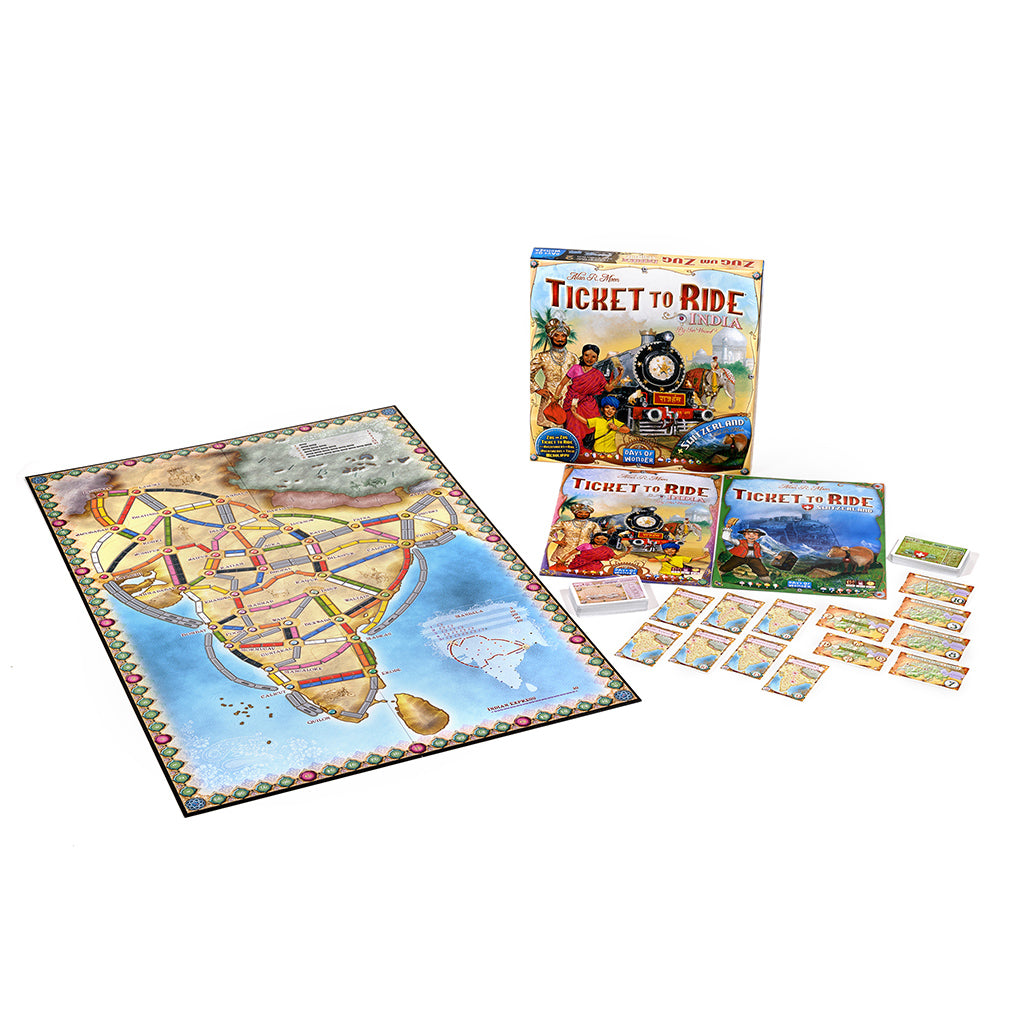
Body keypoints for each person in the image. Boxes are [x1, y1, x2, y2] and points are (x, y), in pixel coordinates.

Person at [563, 345, 622, 446]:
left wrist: (619, 375)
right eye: (587, 355)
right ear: (582, 355)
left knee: (591, 426)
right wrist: (555, 398)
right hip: (573, 402)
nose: (589, 359)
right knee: (573, 426)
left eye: (593, 357)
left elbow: (608, 388)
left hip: (589, 405)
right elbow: (563, 385)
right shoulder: (575, 368)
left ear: (597, 358)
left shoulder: (598, 374)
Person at [530, 319, 575, 428]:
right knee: (550, 432)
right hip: (549, 399)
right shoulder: (541, 357)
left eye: (563, 336)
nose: (560, 339)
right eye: (556, 335)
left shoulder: (573, 357)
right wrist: (537, 389)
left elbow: (581, 378)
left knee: (569, 430)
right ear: (550, 336)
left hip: (569, 399)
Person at [547, 501, 599, 567]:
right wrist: (557, 541)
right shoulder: (565, 523)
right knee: (562, 567)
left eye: (586, 512)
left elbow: (599, 536)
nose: (583, 514)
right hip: (565, 549)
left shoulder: (593, 525)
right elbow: (549, 531)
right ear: (574, 512)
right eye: (580, 512)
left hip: (585, 550)